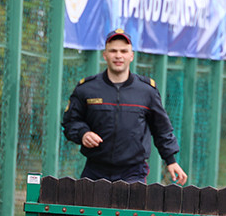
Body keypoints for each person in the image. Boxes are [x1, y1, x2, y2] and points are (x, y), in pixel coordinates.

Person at [62, 29, 187, 184]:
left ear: (131, 56)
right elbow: (70, 122)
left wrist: (171, 160)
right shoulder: (86, 88)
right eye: (113, 51)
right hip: (95, 171)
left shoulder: (147, 91)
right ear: (105, 55)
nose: (118, 56)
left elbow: (162, 129)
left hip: (134, 173)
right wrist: (83, 133)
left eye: (123, 51)